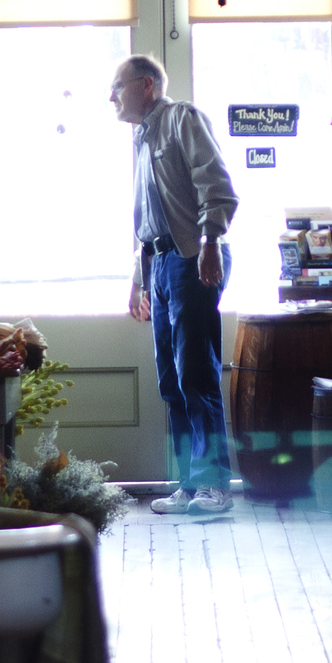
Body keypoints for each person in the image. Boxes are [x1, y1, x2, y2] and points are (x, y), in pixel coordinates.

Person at [111, 55, 239, 517]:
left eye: (118, 87)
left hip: (192, 258)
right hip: (162, 265)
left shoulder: (182, 119)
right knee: (171, 380)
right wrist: (138, 279)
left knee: (196, 373)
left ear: (146, 85)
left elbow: (218, 187)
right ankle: (188, 483)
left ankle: (214, 487)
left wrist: (210, 242)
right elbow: (147, 219)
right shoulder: (143, 138)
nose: (112, 97)